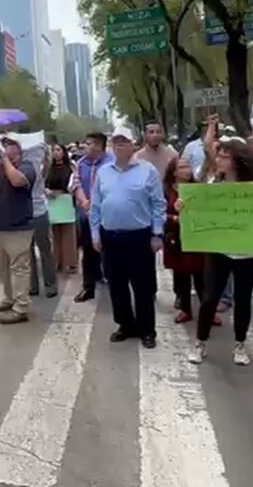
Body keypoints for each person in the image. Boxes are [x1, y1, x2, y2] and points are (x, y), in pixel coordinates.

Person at [187, 138, 253, 365]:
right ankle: (200, 342)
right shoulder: (213, 184)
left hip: (248, 252)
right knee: (210, 298)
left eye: (225, 157)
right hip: (219, 251)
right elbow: (199, 207)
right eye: (219, 156)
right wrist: (184, 206)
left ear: (238, 160)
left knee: (243, 299)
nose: (219, 160)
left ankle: (240, 344)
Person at [90, 126, 165, 349]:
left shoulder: (148, 171)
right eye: (116, 141)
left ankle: (147, 330)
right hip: (110, 237)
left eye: (124, 140)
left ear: (133, 144)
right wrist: (95, 234)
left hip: (139, 237)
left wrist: (157, 233)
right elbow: (95, 205)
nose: (120, 144)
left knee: (143, 286)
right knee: (116, 286)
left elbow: (158, 204)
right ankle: (125, 325)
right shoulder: (103, 172)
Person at [0, 136, 37, 324]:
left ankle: (21, 307)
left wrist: (5, 161)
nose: (5, 150)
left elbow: (17, 181)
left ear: (19, 153)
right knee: (1, 267)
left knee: (19, 268)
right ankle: (10, 297)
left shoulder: (27, 166)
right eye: (4, 147)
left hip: (17, 227)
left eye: (10, 147)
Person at [161, 158, 208, 324]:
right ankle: (185, 309)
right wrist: (174, 217)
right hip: (176, 238)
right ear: (174, 171)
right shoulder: (166, 190)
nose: (186, 170)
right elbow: (158, 213)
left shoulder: (198, 188)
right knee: (182, 275)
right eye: (182, 167)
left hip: (197, 236)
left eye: (188, 166)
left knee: (201, 275)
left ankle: (208, 311)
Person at [73, 132, 113, 303]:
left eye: (89, 143)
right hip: (87, 215)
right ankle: (88, 287)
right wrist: (84, 201)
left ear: (98, 145)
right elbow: (76, 184)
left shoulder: (111, 163)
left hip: (107, 216)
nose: (85, 146)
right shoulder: (81, 163)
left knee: (109, 251)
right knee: (88, 252)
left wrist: (98, 205)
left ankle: (113, 282)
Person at [28, 145, 57, 298]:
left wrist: (46, 154)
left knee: (45, 250)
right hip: (24, 214)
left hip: (39, 212)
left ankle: (50, 284)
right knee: (27, 252)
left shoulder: (39, 168)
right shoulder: (17, 168)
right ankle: (32, 286)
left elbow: (46, 168)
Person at [45, 143, 78, 275]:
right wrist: (46, 190)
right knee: (56, 233)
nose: (56, 152)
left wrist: (72, 189)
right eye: (54, 150)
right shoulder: (48, 168)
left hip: (66, 200)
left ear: (64, 152)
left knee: (69, 233)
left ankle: (70, 263)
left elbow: (75, 182)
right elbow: (43, 183)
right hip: (53, 201)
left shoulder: (71, 166)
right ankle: (58, 261)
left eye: (58, 150)